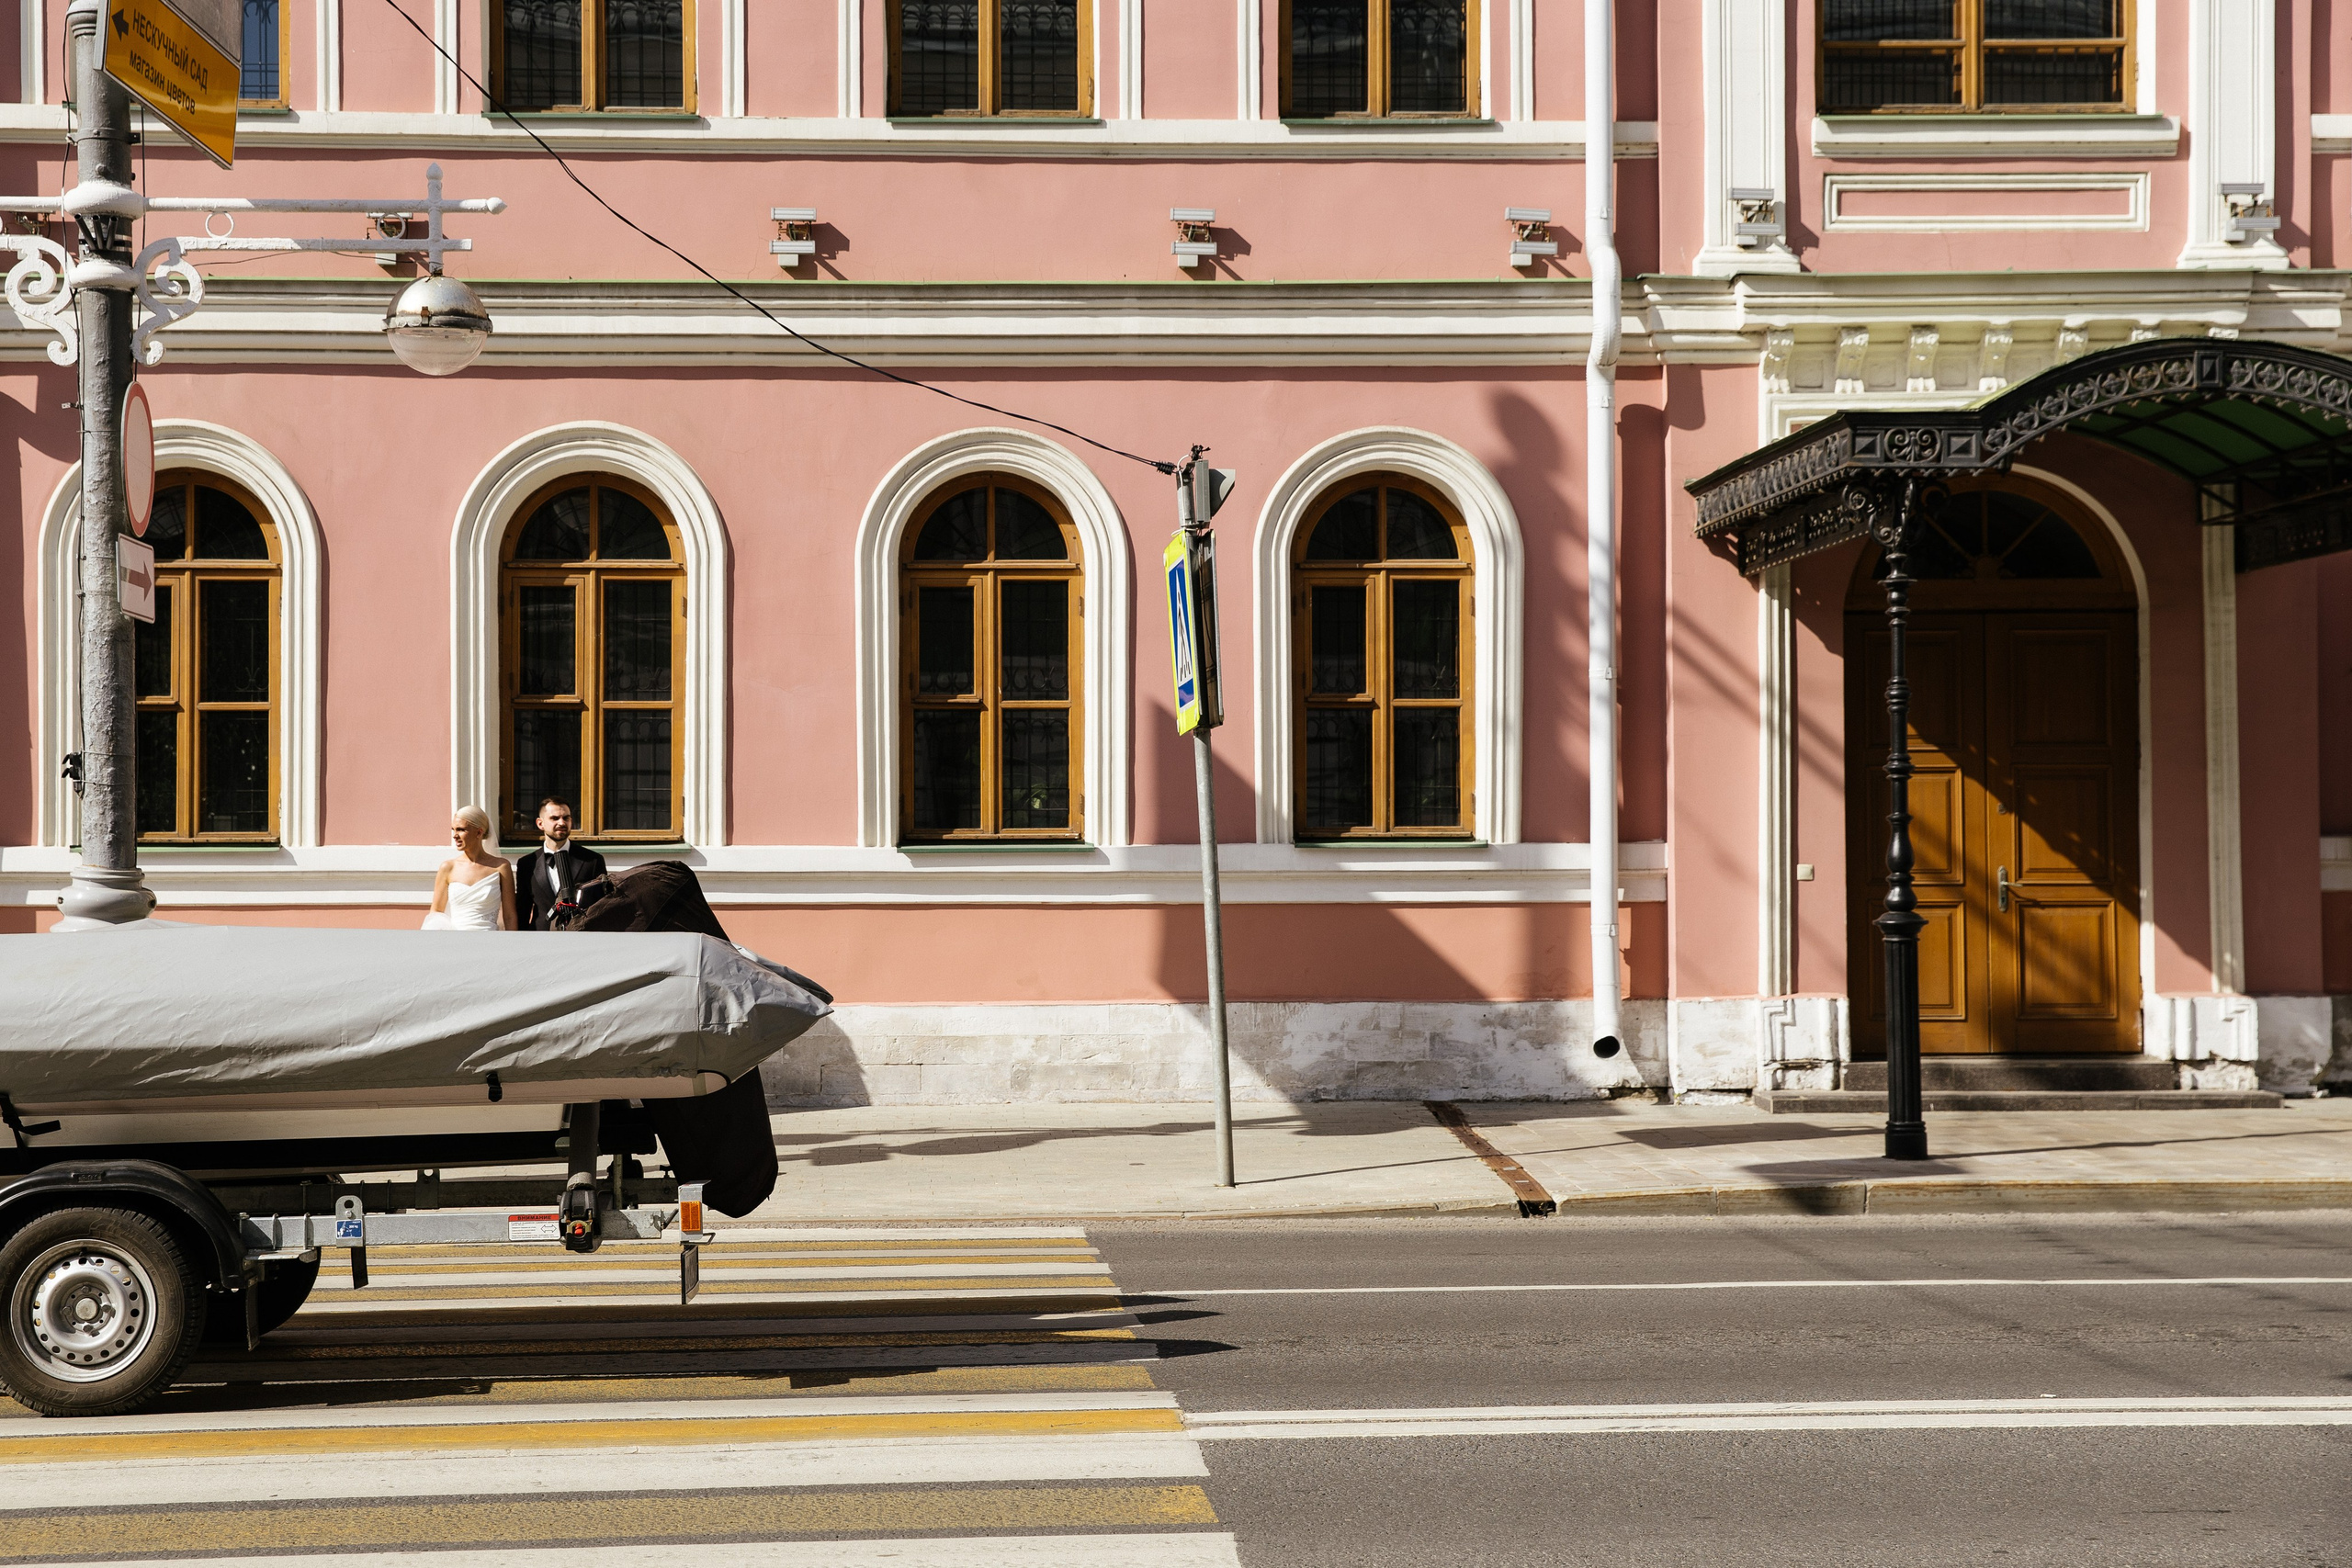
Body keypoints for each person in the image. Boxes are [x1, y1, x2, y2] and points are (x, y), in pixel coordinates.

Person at [514, 796, 607, 932]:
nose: (561, 823)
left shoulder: (592, 860)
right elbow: (523, 909)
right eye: (554, 818)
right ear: (540, 823)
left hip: (580, 938)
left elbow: (602, 907)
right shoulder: (527, 863)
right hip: (540, 939)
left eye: (566, 818)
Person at [426, 805, 515, 931]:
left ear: (479, 832)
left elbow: (510, 916)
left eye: (461, 830)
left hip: (490, 942)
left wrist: (512, 946)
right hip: (456, 942)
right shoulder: (448, 868)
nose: (455, 835)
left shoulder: (501, 867)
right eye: (453, 830)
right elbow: (436, 913)